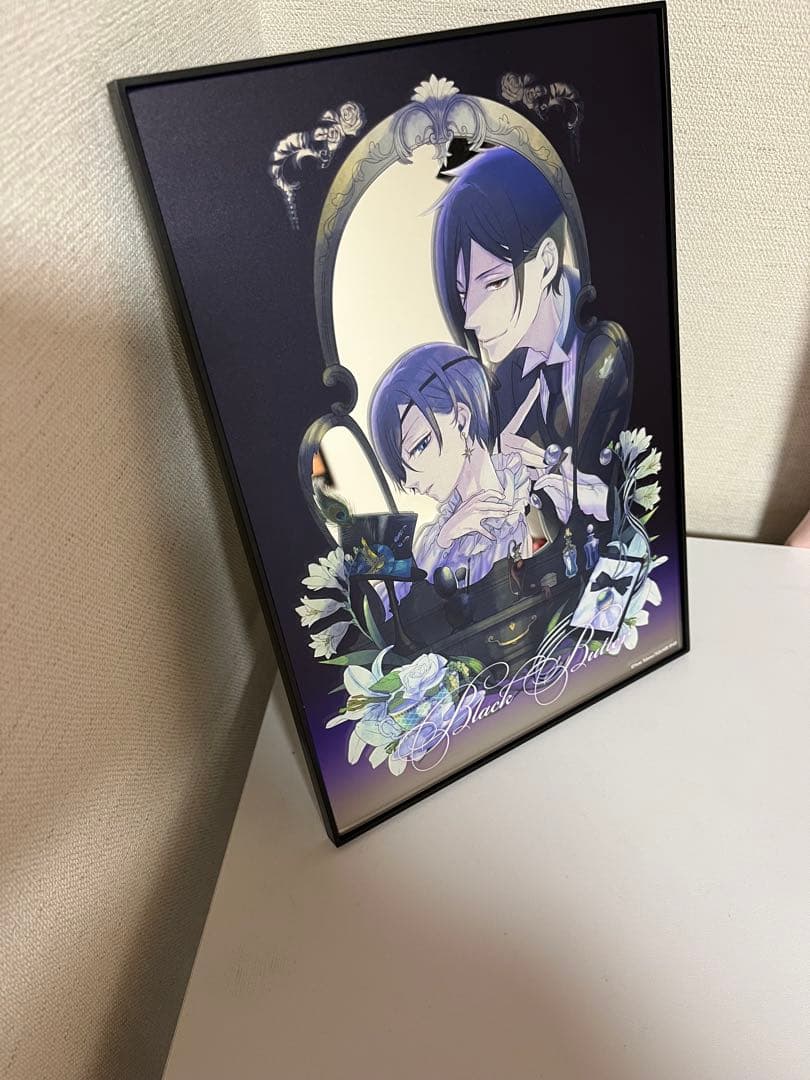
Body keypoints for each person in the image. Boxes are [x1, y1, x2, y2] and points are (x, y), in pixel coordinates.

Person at [432, 145, 633, 536]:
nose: (471, 317)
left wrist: (595, 498)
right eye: (463, 293)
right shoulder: (505, 382)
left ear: (546, 262)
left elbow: (647, 498)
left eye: (493, 282)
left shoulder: (610, 341)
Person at [368, 342, 531, 592]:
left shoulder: (522, 497)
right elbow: (386, 604)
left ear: (462, 420)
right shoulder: (436, 539)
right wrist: (444, 538)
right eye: (402, 467)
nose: (409, 481)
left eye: (420, 445)